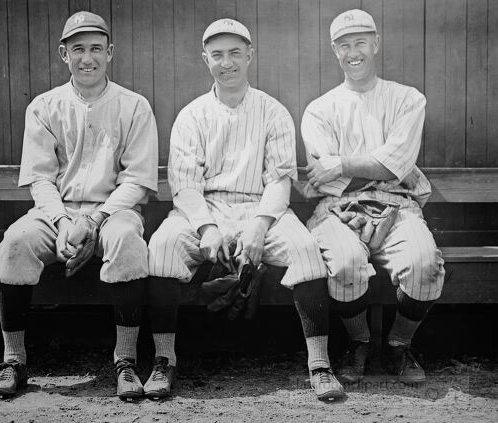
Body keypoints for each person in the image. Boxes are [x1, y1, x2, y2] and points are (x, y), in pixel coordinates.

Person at [147, 18, 344, 401]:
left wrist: (258, 227)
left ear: (250, 55)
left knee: (305, 250)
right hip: (205, 209)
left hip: (263, 209)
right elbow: (185, 186)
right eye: (217, 55)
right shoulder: (192, 115)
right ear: (205, 59)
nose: (227, 63)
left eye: (235, 53)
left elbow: (280, 180)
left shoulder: (273, 111)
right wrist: (206, 228)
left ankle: (319, 364)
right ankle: (162, 360)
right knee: (162, 248)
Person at [0, 11, 164, 401]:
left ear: (110, 52)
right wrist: (64, 220)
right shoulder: (44, 105)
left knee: (128, 243)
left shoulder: (134, 106)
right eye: (78, 49)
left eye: (96, 49)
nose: (88, 58)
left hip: (113, 209)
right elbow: (40, 178)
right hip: (56, 213)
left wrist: (93, 219)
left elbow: (136, 179)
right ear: (63, 54)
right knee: (15, 241)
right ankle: (13, 360)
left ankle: (126, 361)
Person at [301, 9, 445, 384]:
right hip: (335, 209)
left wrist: (343, 164)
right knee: (346, 265)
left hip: (397, 203)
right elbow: (325, 178)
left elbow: (396, 165)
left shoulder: (408, 99)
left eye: (361, 42)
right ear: (335, 51)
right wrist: (365, 166)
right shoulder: (318, 109)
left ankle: (398, 346)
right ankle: (359, 343)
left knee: (424, 264)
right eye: (345, 44)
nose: (354, 52)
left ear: (376, 43)